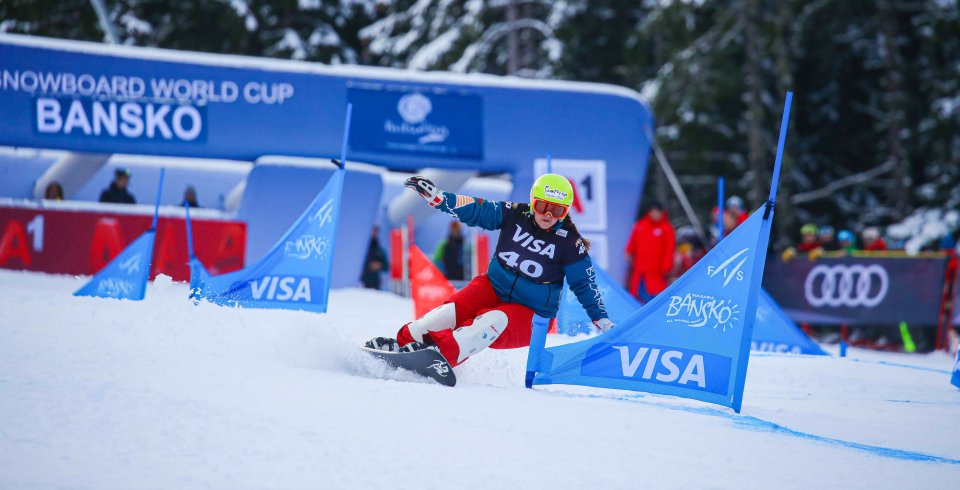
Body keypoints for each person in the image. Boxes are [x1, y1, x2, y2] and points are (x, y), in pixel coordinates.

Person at [365, 174, 612, 367]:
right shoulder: (516, 214)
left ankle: (440, 354)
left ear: (566, 212)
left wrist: (600, 318)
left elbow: (584, 284)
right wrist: (441, 199)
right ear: (532, 202)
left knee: (491, 320)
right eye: (542, 206)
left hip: (531, 313)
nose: (548, 214)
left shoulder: (570, 242)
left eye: (557, 210)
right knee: (447, 313)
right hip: (493, 287)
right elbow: (478, 209)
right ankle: (405, 344)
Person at [625, 201, 676, 303]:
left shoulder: (666, 228)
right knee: (638, 293)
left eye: (657, 212)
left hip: (656, 270)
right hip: (640, 268)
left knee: (656, 295)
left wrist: (667, 266)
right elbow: (633, 240)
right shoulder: (641, 225)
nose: (655, 214)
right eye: (653, 212)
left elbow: (669, 249)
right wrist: (629, 250)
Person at [360, 225, 389, 290]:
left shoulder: (380, 251)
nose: (374, 233)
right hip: (364, 283)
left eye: (376, 231)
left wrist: (379, 266)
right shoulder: (363, 249)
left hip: (375, 284)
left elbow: (386, 267)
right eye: (373, 231)